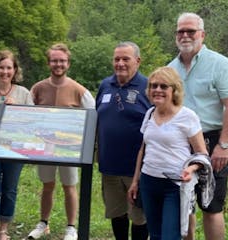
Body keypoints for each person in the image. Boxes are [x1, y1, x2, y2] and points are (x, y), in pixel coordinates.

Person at [127, 66, 208, 240]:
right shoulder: (149, 113)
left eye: (164, 86)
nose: (157, 90)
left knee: (170, 236)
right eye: (153, 86)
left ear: (174, 90)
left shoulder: (188, 116)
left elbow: (202, 153)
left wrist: (191, 169)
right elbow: (144, 148)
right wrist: (135, 181)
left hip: (175, 185)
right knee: (155, 235)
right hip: (149, 181)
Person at [168, 12, 228, 240]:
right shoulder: (171, 68)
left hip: (213, 140)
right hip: (181, 142)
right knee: (185, 203)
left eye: (190, 31)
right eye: (180, 31)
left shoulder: (220, 64)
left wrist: (224, 145)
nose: (185, 35)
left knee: (212, 206)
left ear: (202, 34)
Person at [27, 43, 95, 240]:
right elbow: (29, 115)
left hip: (68, 149)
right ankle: (43, 223)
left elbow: (91, 117)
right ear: (49, 63)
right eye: (55, 60)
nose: (58, 64)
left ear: (68, 63)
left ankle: (71, 227)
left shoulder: (79, 90)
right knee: (47, 185)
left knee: (69, 186)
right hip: (45, 147)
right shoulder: (38, 88)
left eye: (62, 61)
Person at [96, 41, 150, 240]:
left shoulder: (148, 86)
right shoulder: (105, 85)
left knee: (139, 217)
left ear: (137, 61)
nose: (120, 63)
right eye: (116, 59)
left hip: (137, 169)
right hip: (109, 167)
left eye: (125, 59)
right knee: (116, 212)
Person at [0, 50, 34, 240]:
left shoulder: (23, 93)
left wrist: (17, 110)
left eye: (8, 68)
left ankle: (4, 229)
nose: (5, 71)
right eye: (1, 67)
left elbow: (32, 123)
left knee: (9, 189)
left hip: (15, 149)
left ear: (15, 70)